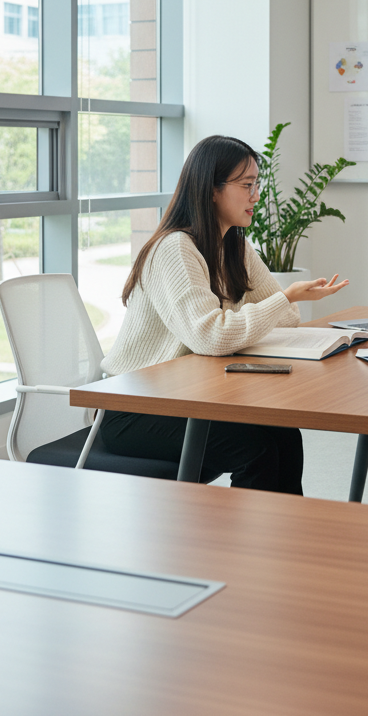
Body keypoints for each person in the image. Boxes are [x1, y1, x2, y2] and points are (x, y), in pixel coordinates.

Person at [100, 134, 348, 494]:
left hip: (187, 394)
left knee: (285, 435)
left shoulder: (234, 244)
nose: (256, 196)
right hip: (133, 409)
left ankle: (288, 545)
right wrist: (281, 299)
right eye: (246, 185)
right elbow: (212, 337)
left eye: (257, 184)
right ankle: (243, 550)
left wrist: (272, 306)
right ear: (212, 189)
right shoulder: (175, 249)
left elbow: (288, 318)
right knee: (255, 449)